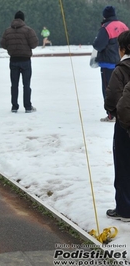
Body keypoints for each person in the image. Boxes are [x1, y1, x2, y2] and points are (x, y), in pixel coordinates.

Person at [105, 30, 130, 222]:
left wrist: (112, 110)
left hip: (124, 124)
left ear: (122, 49)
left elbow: (113, 96)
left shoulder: (120, 70)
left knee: (123, 166)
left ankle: (125, 209)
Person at [93, 5, 128, 122]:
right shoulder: (123, 26)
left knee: (110, 89)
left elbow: (98, 45)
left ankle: (111, 114)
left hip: (108, 64)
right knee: (124, 88)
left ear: (105, 15)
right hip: (124, 63)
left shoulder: (106, 27)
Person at [0, 11, 38, 113]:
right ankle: (28, 106)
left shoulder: (7, 31)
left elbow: (3, 44)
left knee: (14, 84)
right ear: (23, 19)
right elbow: (34, 44)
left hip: (13, 60)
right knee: (26, 85)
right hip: (25, 60)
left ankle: (14, 106)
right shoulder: (28, 30)